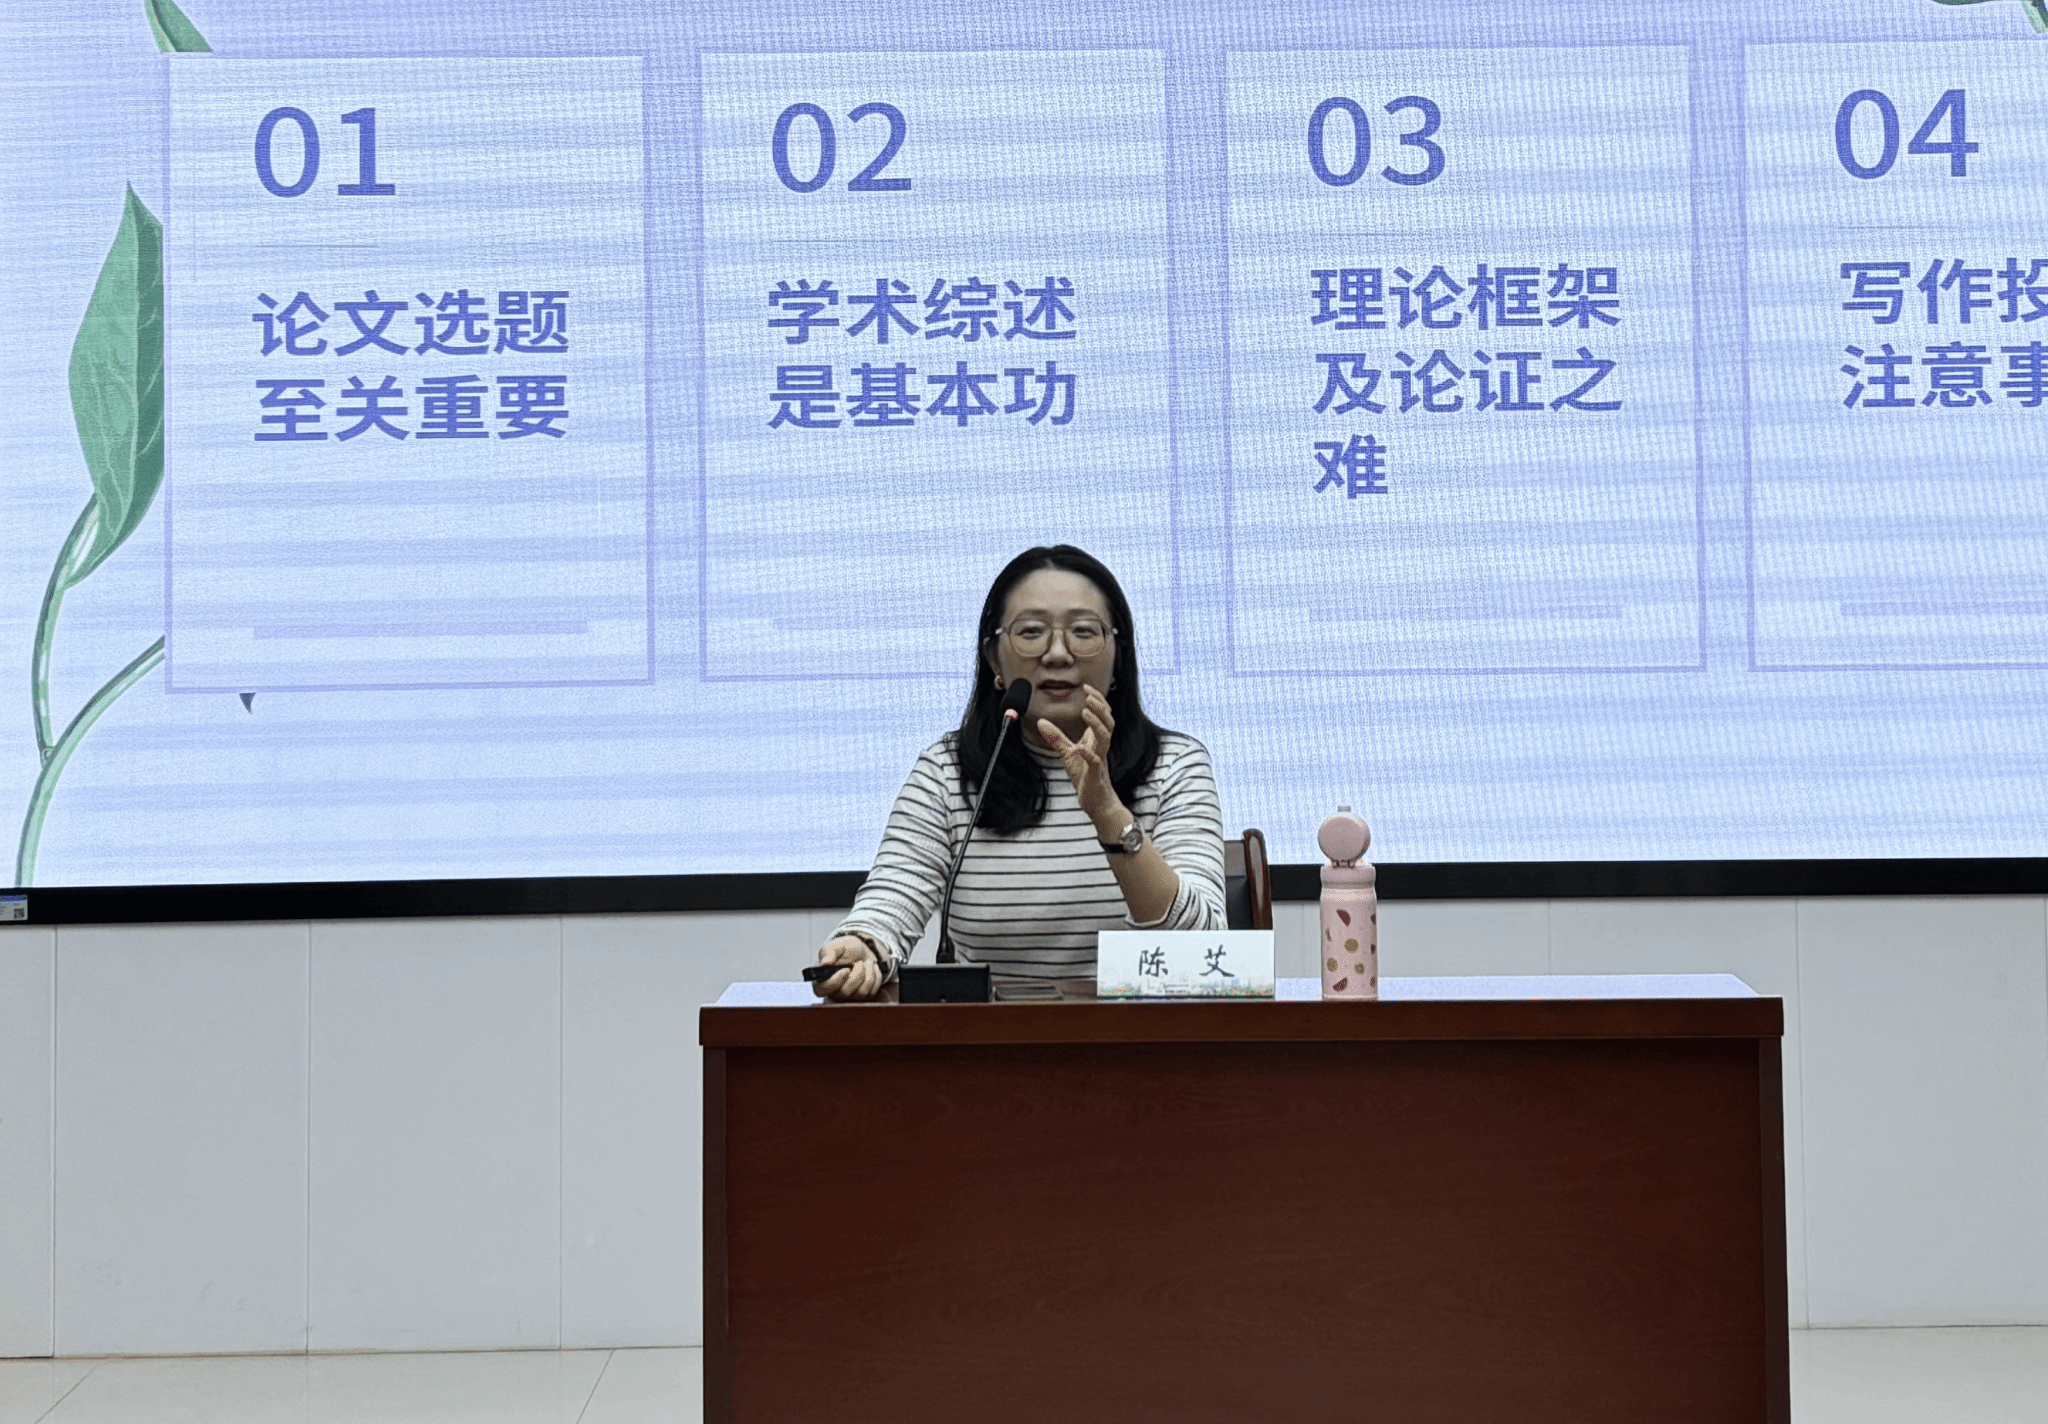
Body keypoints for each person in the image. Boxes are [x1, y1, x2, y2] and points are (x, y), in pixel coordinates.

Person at [813, 545, 1225, 999]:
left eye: (1083, 631)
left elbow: (1202, 945)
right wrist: (863, 946)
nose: (1057, 653)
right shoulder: (948, 772)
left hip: (1143, 1035)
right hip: (991, 1036)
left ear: (1118, 660)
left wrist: (1107, 812)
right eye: (1031, 632)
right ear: (994, 660)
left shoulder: (1174, 764)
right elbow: (889, 902)